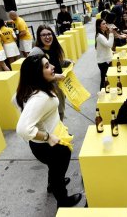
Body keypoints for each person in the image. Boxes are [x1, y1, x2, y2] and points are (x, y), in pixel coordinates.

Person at [13, 54, 82, 208]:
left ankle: (52, 185)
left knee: (54, 169)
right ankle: (63, 202)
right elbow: (22, 129)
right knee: (58, 172)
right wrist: (47, 136)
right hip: (50, 145)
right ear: (37, 74)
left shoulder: (29, 89)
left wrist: (56, 76)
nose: (52, 67)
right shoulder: (40, 97)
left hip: (40, 144)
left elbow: (15, 101)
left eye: (49, 64)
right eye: (47, 66)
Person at [29, 25, 73, 121]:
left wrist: (65, 61)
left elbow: (55, 62)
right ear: (39, 37)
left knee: (60, 111)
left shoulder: (52, 48)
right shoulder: (36, 52)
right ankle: (57, 134)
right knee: (54, 115)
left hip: (59, 86)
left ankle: (62, 133)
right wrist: (55, 76)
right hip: (48, 89)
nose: (47, 37)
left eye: (49, 34)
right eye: (43, 35)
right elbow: (33, 73)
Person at [95, 19, 114, 90]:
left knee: (105, 79)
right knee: (104, 80)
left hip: (106, 60)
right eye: (103, 24)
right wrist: (111, 34)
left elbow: (106, 47)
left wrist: (111, 52)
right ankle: (102, 95)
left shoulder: (103, 34)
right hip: (103, 62)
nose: (106, 25)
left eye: (106, 23)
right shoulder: (99, 36)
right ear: (99, 26)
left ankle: (105, 93)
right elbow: (109, 45)